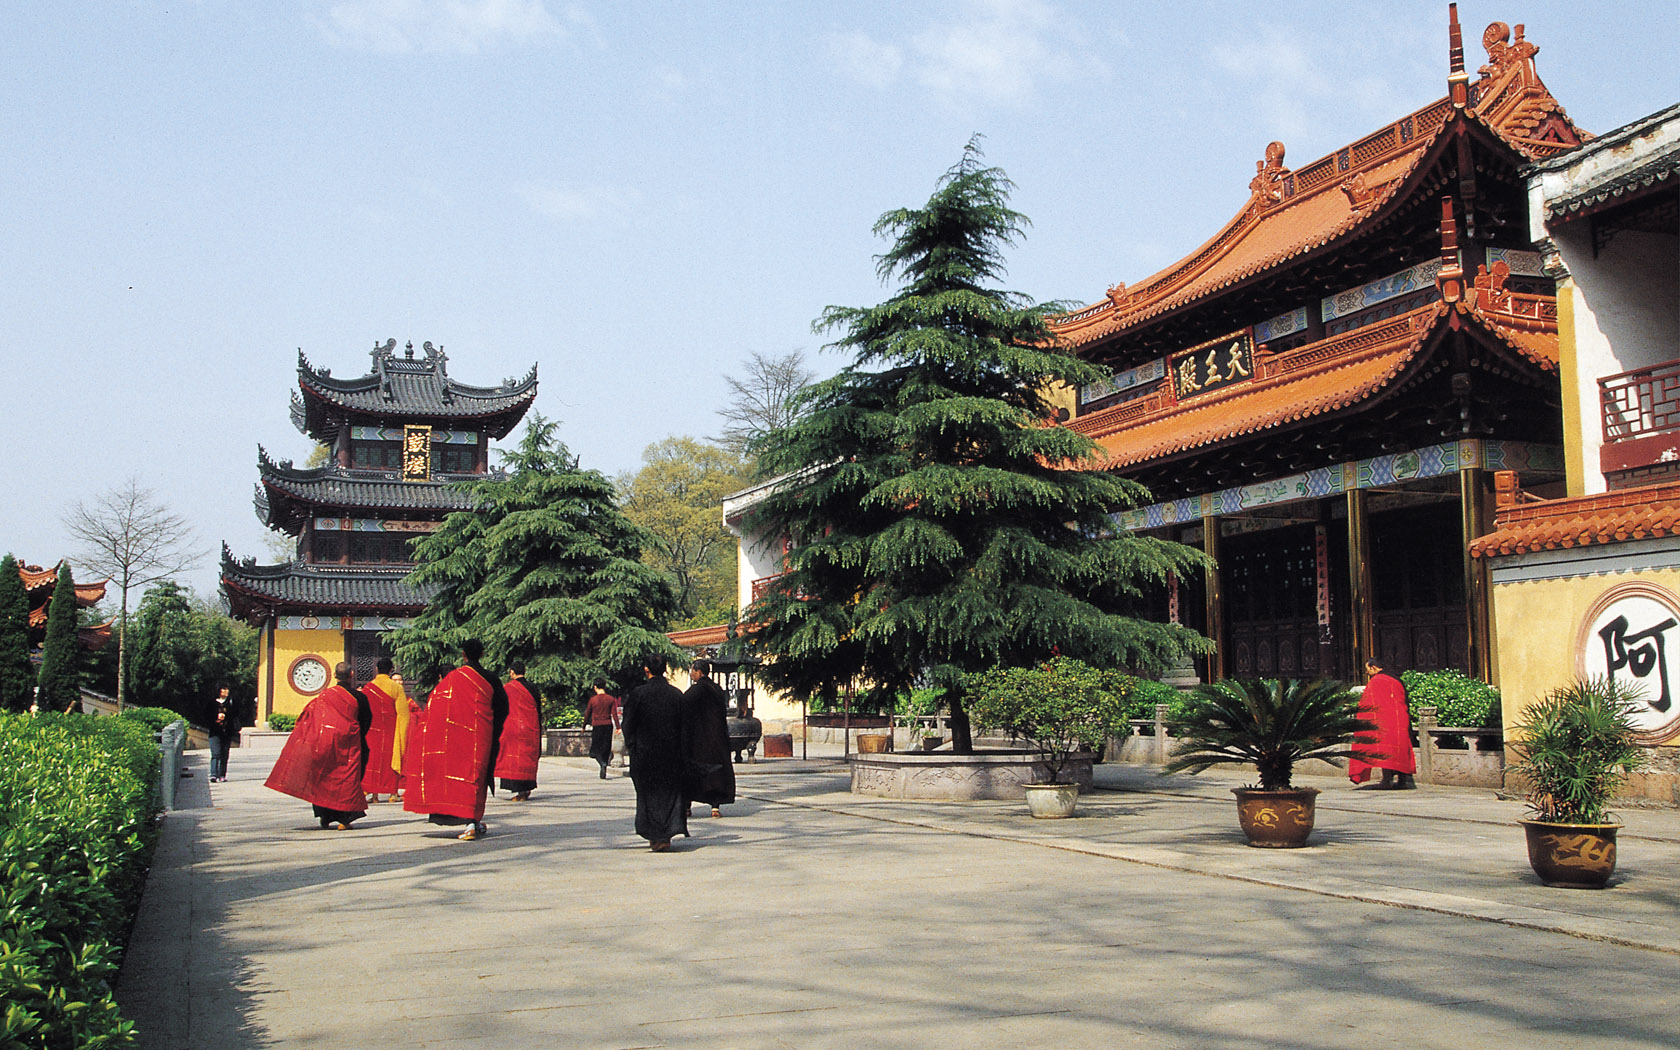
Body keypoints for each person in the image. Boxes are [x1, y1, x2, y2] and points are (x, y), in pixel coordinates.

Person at [404, 640, 507, 840]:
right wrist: (493, 728)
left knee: (460, 774)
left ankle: (470, 822)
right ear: (483, 653)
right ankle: (474, 821)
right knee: (476, 775)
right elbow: (503, 708)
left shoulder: (452, 679)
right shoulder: (491, 678)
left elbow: (437, 708)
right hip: (482, 734)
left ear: (463, 655)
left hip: (457, 734)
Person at [264, 662, 373, 829]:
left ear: (335, 676)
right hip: (351, 745)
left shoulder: (324, 696)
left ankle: (326, 816)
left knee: (323, 777)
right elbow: (366, 721)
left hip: (326, 744)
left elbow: (312, 719)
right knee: (347, 778)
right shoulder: (359, 697)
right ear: (351, 675)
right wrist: (354, 737)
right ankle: (344, 818)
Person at [621, 654, 688, 851]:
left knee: (648, 796)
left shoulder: (638, 694)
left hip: (645, 753)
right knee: (669, 795)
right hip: (672, 754)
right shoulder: (676, 695)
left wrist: (633, 747)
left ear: (646, 669)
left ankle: (655, 835)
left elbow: (628, 725)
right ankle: (665, 835)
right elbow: (685, 727)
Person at [1349, 657, 1417, 789]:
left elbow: (1367, 704)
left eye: (1367, 669)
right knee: (1398, 748)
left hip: (1383, 723)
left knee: (1383, 750)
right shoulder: (1397, 680)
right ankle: (1402, 781)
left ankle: (1387, 780)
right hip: (1399, 722)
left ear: (1374, 667)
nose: (1367, 673)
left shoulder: (1376, 682)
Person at [683, 659, 736, 819]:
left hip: (698, 739)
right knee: (717, 772)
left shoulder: (695, 691)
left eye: (692, 670)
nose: (691, 674)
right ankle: (715, 806)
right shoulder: (717, 689)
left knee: (691, 772)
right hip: (717, 737)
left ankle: (686, 806)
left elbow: (683, 709)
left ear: (699, 672)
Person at [494, 662, 542, 801]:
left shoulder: (508, 688)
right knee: (527, 760)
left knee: (514, 761)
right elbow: (538, 710)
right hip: (530, 727)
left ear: (512, 672)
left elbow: (501, 708)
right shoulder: (533, 688)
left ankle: (520, 791)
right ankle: (526, 790)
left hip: (513, 728)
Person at [361, 658, 404, 804]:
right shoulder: (396, 688)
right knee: (391, 758)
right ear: (391, 669)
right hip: (390, 730)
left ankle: (374, 795)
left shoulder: (368, 688)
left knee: (372, 761)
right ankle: (393, 793)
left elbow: (363, 711)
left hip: (371, 730)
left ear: (377, 669)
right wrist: (402, 734)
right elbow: (403, 714)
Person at [583, 678, 622, 779]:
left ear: (595, 687)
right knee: (606, 747)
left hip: (597, 725)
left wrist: (583, 726)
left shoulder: (593, 700)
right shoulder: (610, 699)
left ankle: (602, 763)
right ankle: (603, 764)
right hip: (608, 725)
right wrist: (618, 727)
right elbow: (614, 714)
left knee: (594, 750)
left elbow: (587, 713)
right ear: (604, 686)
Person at [207, 685, 239, 783]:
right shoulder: (212, 703)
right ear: (219, 690)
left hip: (227, 732)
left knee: (224, 754)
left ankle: (222, 774)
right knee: (215, 753)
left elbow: (235, 715)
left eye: (227, 689)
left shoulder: (231, 702)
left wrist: (227, 716)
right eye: (224, 689)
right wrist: (216, 717)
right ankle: (213, 774)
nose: (226, 691)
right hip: (215, 732)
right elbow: (206, 716)